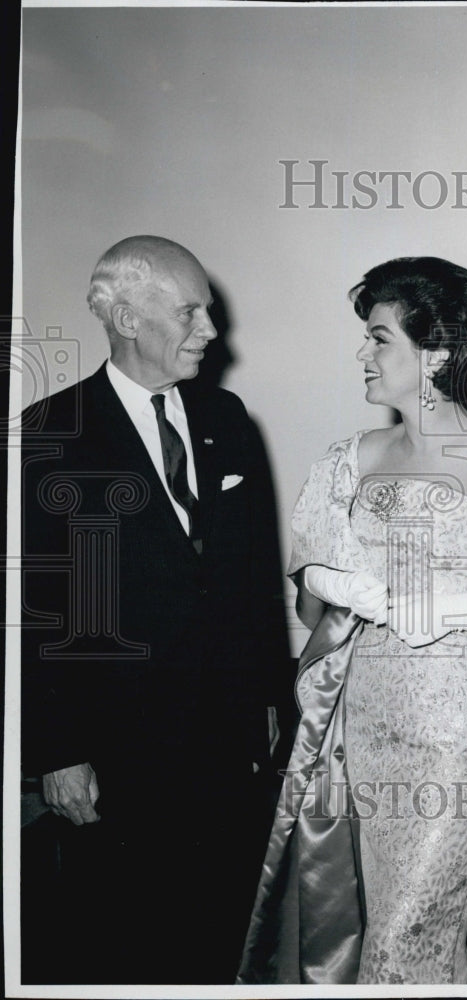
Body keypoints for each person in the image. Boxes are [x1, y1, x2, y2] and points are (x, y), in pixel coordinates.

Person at [238, 257, 467, 985]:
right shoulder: (348, 462)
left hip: (462, 734)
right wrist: (332, 580)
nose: (362, 355)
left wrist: (459, 604)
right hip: (358, 730)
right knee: (370, 920)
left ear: (434, 353)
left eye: (379, 338)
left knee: (410, 934)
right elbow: (310, 609)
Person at [21, 236, 290, 984]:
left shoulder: (227, 418)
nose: (210, 329)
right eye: (190, 312)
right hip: (115, 753)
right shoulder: (50, 432)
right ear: (128, 318)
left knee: (223, 939)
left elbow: (252, 579)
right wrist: (57, 751)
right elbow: (38, 610)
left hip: (227, 745)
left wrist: (271, 702)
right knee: (125, 943)